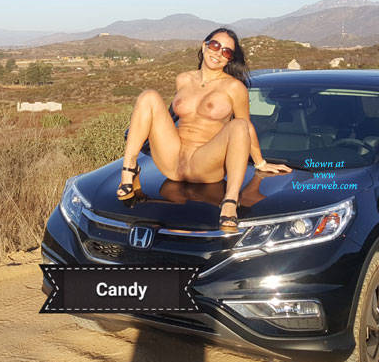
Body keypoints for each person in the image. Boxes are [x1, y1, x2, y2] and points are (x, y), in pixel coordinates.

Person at [116, 28, 292, 231]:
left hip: (205, 166)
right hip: (172, 163)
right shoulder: (183, 79)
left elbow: (245, 128)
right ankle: (129, 170)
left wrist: (260, 162)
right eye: (215, 45)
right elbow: (167, 119)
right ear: (204, 45)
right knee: (148, 96)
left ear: (230, 59)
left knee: (239, 124)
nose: (219, 53)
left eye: (226, 51)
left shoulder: (235, 88)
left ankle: (230, 201)